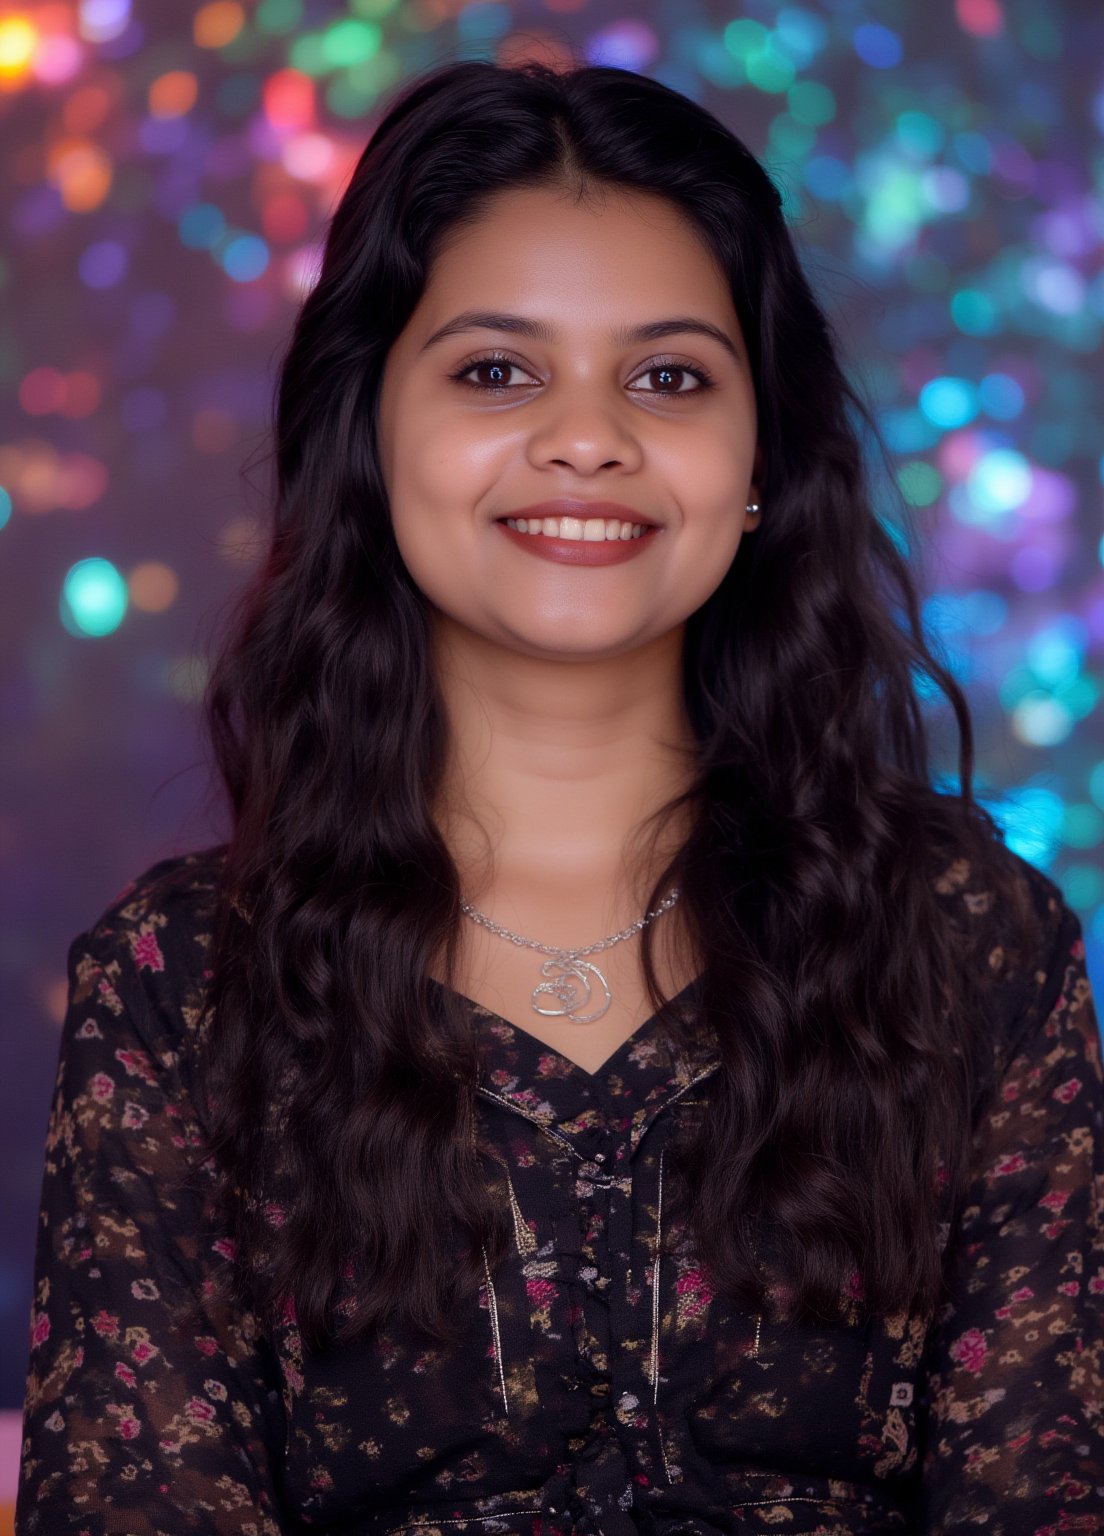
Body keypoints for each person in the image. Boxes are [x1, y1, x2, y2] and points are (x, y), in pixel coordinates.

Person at [16, 54, 1103, 1536]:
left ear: (765, 455)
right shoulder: (184, 984)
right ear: (370, 431)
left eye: (668, 376)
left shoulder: (968, 945)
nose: (586, 437)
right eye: (494, 370)